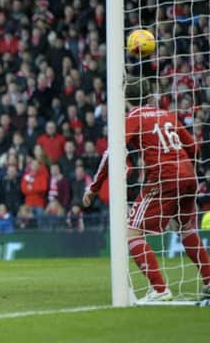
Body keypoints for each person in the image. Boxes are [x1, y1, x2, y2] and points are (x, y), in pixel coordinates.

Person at [83, 77, 210, 302]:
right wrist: (188, 168)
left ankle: (160, 290)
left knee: (131, 232)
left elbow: (112, 152)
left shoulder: (132, 117)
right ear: (150, 95)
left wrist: (94, 188)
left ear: (124, 97)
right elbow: (193, 148)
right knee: (186, 228)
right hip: (188, 173)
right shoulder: (167, 114)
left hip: (164, 177)